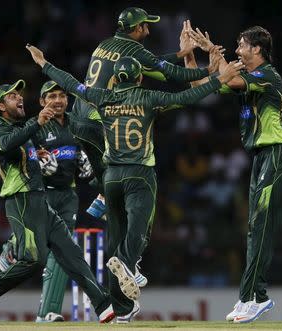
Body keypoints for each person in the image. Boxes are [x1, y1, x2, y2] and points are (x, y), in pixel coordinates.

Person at [26, 44, 244, 323]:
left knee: (115, 236)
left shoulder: (102, 97)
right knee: (140, 228)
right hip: (140, 174)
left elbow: (72, 84)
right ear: (140, 78)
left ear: (115, 79)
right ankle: (129, 264)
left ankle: (122, 308)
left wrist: (44, 63)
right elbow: (189, 96)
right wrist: (219, 79)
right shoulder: (149, 97)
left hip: (111, 178)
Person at [0, 80, 114, 324]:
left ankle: (103, 305)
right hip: (21, 198)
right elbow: (3, 147)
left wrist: (35, 155)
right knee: (34, 259)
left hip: (40, 197)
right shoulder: (2, 130)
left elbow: (19, 150)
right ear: (1, 106)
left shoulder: (20, 128)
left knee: (70, 252)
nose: (19, 98)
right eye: (12, 96)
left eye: (19, 94)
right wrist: (35, 125)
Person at [186, 25, 282, 323]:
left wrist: (213, 51)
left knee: (261, 226)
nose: (237, 50)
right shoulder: (246, 78)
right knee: (253, 228)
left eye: (241, 45)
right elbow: (199, 86)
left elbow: (231, 78)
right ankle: (247, 297)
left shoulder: (268, 75)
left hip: (277, 154)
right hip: (262, 158)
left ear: (257, 50)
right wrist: (190, 56)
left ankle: (257, 297)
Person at [70, 7, 219, 221]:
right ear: (137, 28)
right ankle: (109, 205)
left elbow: (151, 63)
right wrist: (209, 70)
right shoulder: (133, 49)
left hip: (78, 118)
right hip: (100, 120)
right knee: (128, 167)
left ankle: (99, 198)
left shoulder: (106, 44)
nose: (148, 31)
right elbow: (173, 73)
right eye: (146, 25)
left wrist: (182, 53)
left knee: (108, 176)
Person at [0, 81, 96, 322]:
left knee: (62, 253)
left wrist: (87, 165)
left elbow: (85, 156)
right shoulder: (35, 124)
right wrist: (38, 167)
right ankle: (11, 246)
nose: (58, 100)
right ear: (42, 102)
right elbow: (1, 154)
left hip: (68, 195)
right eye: (51, 96)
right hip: (41, 193)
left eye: (62, 95)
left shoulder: (76, 124)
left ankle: (47, 313)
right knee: (40, 250)